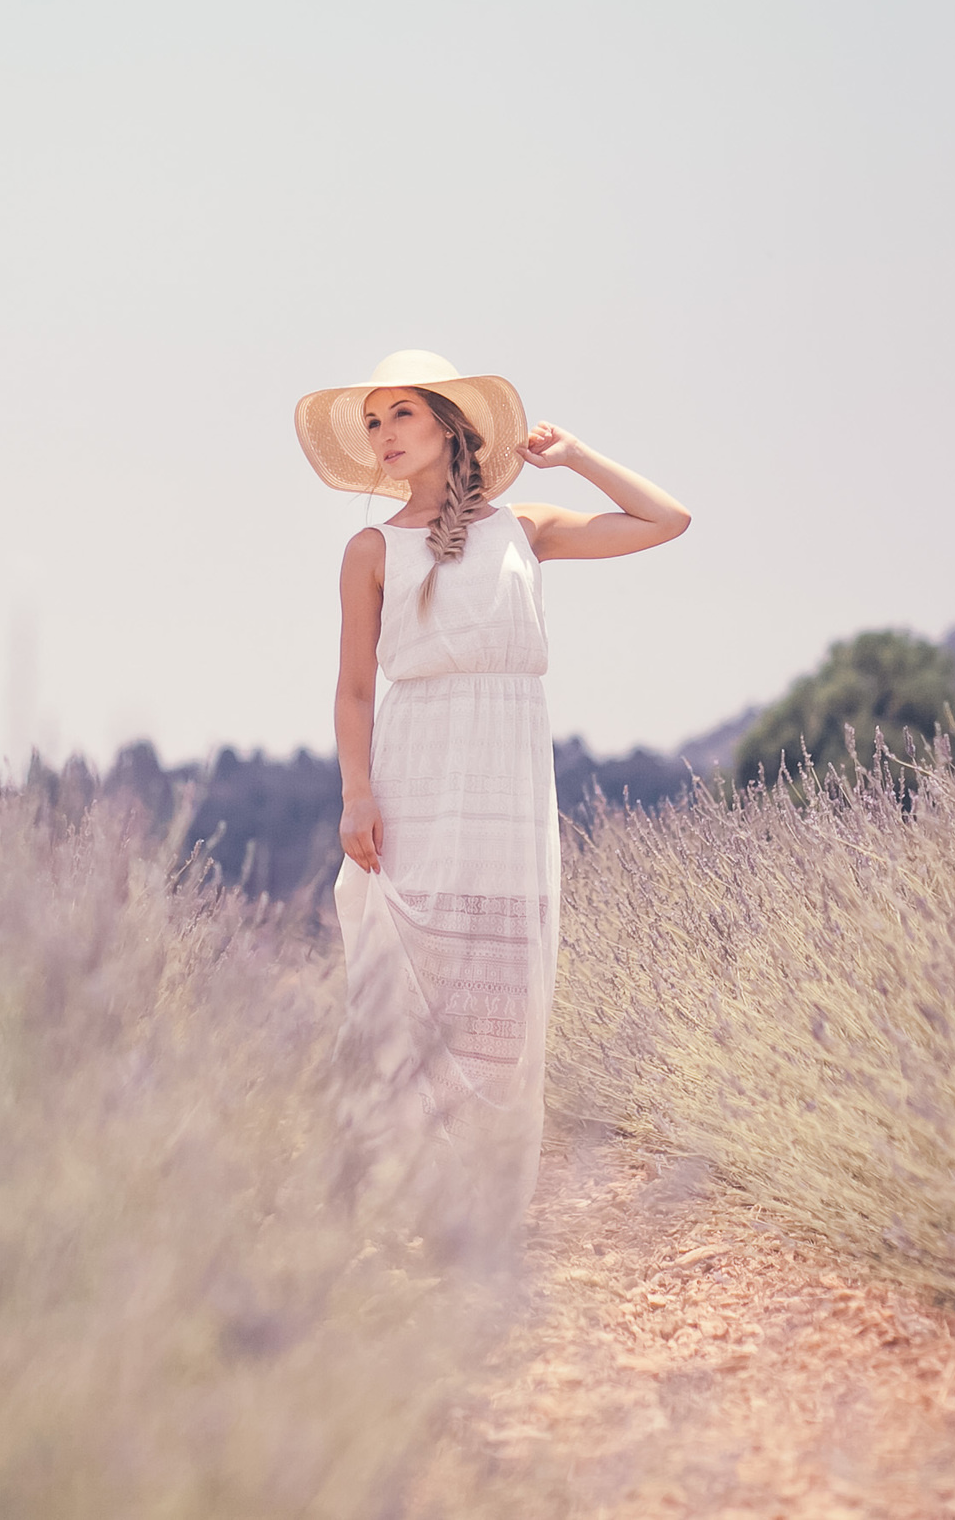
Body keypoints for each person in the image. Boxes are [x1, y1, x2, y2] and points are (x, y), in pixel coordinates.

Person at [292, 350, 690, 1248]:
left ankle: (483, 1216)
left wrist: (578, 452)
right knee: (409, 982)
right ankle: (399, 1209)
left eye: (400, 415)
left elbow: (667, 519)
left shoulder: (526, 526)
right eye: (372, 423)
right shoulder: (370, 550)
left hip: (507, 777)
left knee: (502, 995)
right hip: (415, 771)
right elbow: (354, 688)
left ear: (448, 425)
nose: (384, 436)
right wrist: (355, 794)